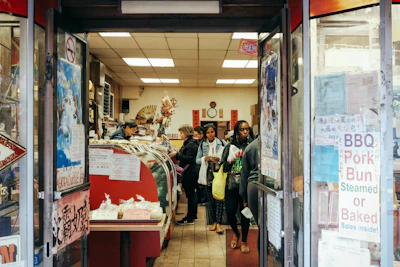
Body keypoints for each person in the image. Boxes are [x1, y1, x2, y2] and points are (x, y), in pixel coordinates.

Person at [221, 120, 254, 253]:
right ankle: (236, 232)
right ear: (236, 132)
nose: (245, 132)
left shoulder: (251, 146)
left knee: (245, 214)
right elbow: (224, 168)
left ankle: (245, 241)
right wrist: (231, 161)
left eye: (247, 129)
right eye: (242, 129)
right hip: (232, 184)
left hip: (246, 185)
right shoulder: (230, 147)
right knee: (230, 212)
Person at [196, 124, 225, 234]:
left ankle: (218, 224)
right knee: (210, 200)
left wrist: (219, 159)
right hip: (207, 175)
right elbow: (197, 160)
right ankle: (214, 222)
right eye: (208, 132)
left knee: (219, 199)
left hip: (219, 174)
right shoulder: (202, 145)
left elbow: (227, 158)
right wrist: (205, 158)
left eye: (212, 132)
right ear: (205, 134)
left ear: (215, 132)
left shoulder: (222, 143)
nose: (210, 134)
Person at [169, 124, 199, 225]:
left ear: (186, 133)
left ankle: (190, 218)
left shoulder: (191, 144)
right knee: (192, 195)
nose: (181, 135)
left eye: (181, 133)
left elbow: (189, 158)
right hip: (190, 172)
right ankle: (192, 215)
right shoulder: (189, 143)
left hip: (190, 172)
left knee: (191, 195)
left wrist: (176, 155)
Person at [240, 137, 259, 251]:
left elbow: (244, 173)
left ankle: (262, 256)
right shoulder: (279, 143)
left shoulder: (250, 147)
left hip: (253, 186)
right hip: (274, 185)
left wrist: (244, 196)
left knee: (260, 223)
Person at [193, 126, 207, 207]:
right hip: (199, 164)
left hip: (203, 165)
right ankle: (201, 199)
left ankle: (203, 199)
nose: (195, 136)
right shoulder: (197, 142)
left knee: (202, 185)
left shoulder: (203, 143)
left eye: (196, 134)